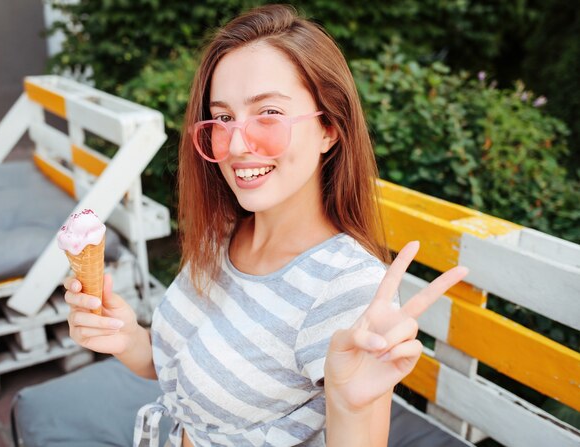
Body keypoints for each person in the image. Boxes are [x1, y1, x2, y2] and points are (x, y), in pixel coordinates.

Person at [63, 4, 468, 447]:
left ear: (330, 129)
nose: (237, 143)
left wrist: (351, 410)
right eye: (223, 118)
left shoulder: (346, 289)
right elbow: (178, 375)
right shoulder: (224, 233)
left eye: (269, 113)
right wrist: (126, 338)